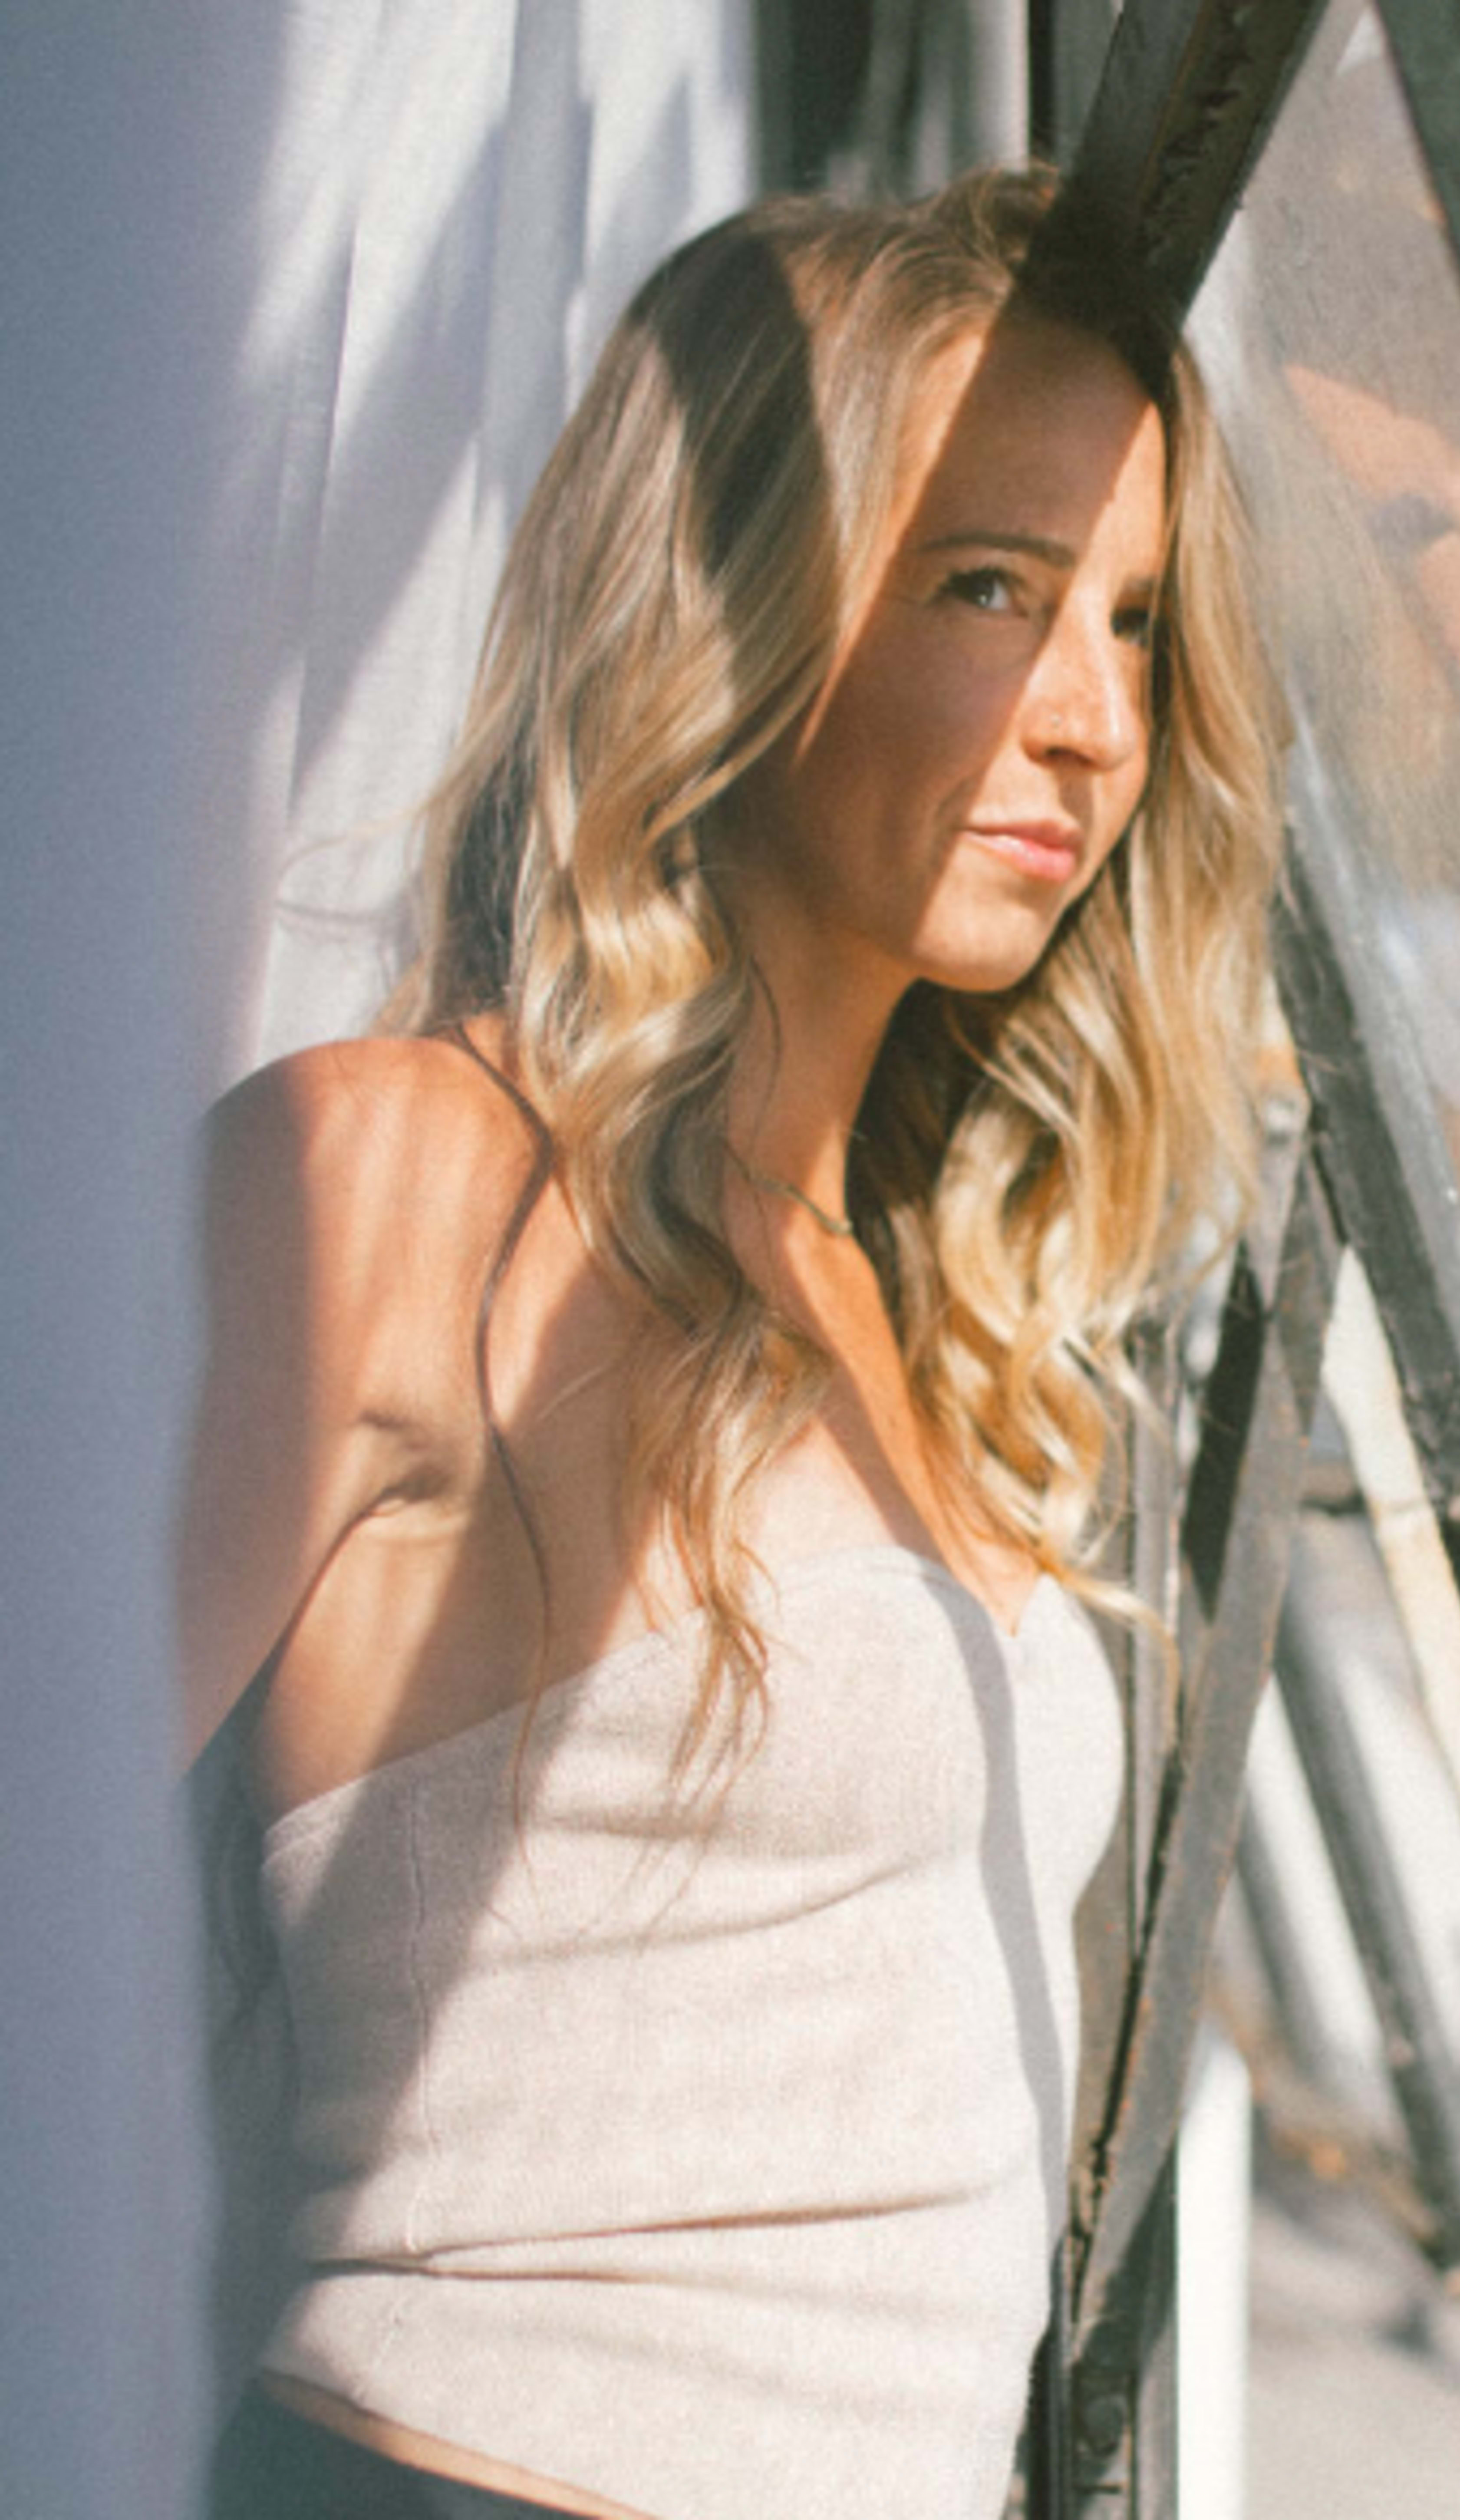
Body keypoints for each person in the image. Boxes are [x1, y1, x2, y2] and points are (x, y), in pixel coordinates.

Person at [181, 165, 1283, 2520]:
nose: (1096, 723)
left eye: (1139, 622)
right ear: (738, 598)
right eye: (995, 589)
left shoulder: (930, 1306)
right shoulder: (401, 1176)